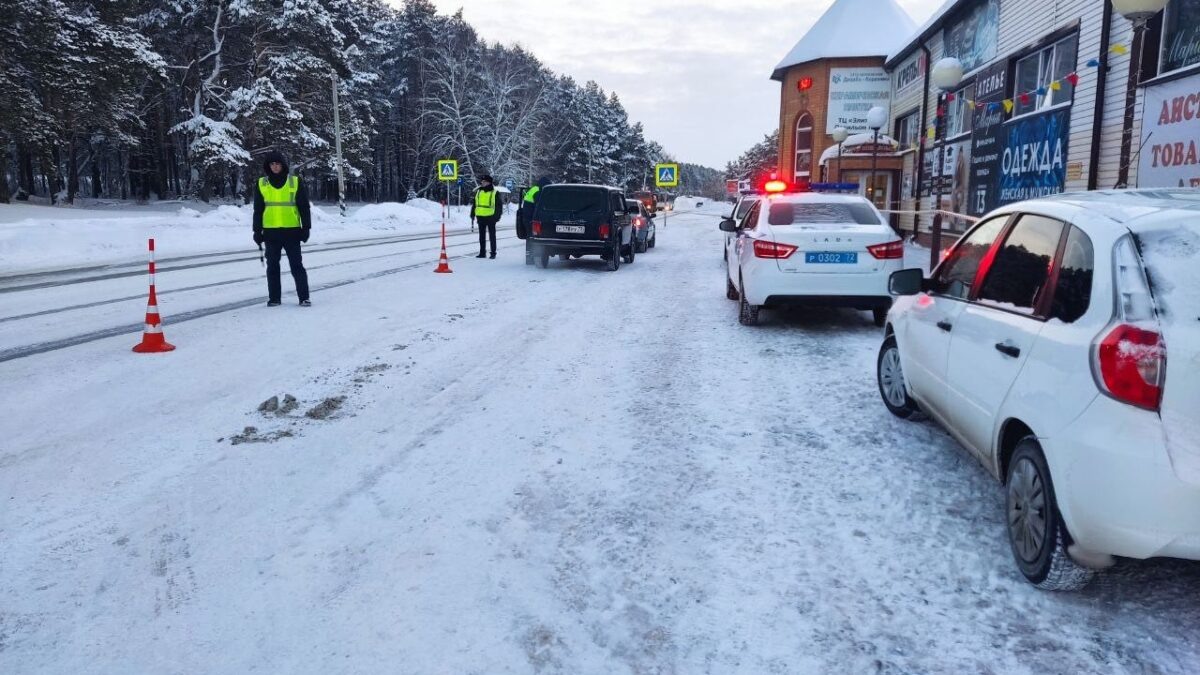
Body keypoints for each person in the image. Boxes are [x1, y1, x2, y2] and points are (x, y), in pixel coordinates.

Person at [252, 150, 312, 306]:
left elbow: (304, 207)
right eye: (272, 164)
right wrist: (257, 231)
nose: (275, 166)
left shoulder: (295, 182)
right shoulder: (261, 183)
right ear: (268, 166)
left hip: (292, 232)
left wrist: (306, 228)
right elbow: (258, 209)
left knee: (296, 266)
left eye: (277, 163)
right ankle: (274, 298)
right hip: (271, 233)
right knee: (272, 266)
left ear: (283, 165)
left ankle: (304, 297)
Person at [470, 174, 503, 259]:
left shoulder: (495, 192)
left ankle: (493, 253)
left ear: (489, 182)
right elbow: (475, 204)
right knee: (481, 236)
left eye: (484, 181)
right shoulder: (478, 191)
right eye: (482, 181)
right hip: (480, 216)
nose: (482, 183)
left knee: (492, 236)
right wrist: (472, 214)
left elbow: (499, 206)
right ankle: (482, 253)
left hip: (490, 217)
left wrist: (496, 217)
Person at [520, 176, 551, 265]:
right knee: (534, 238)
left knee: (530, 237)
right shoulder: (539, 191)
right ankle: (531, 257)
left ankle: (529, 257)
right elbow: (539, 206)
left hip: (527, 217)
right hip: (531, 218)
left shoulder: (534, 189)